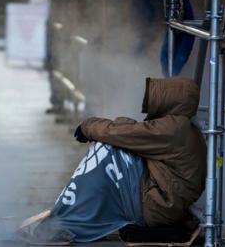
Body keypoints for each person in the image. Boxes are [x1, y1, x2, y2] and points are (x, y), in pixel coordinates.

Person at [33, 77, 207, 243]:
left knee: (106, 150)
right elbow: (130, 132)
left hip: (158, 206)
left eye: (159, 94)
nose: (149, 101)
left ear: (171, 98)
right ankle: (73, 215)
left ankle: (69, 220)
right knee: (111, 153)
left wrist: (88, 126)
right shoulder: (181, 128)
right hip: (160, 200)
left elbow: (123, 133)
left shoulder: (175, 129)